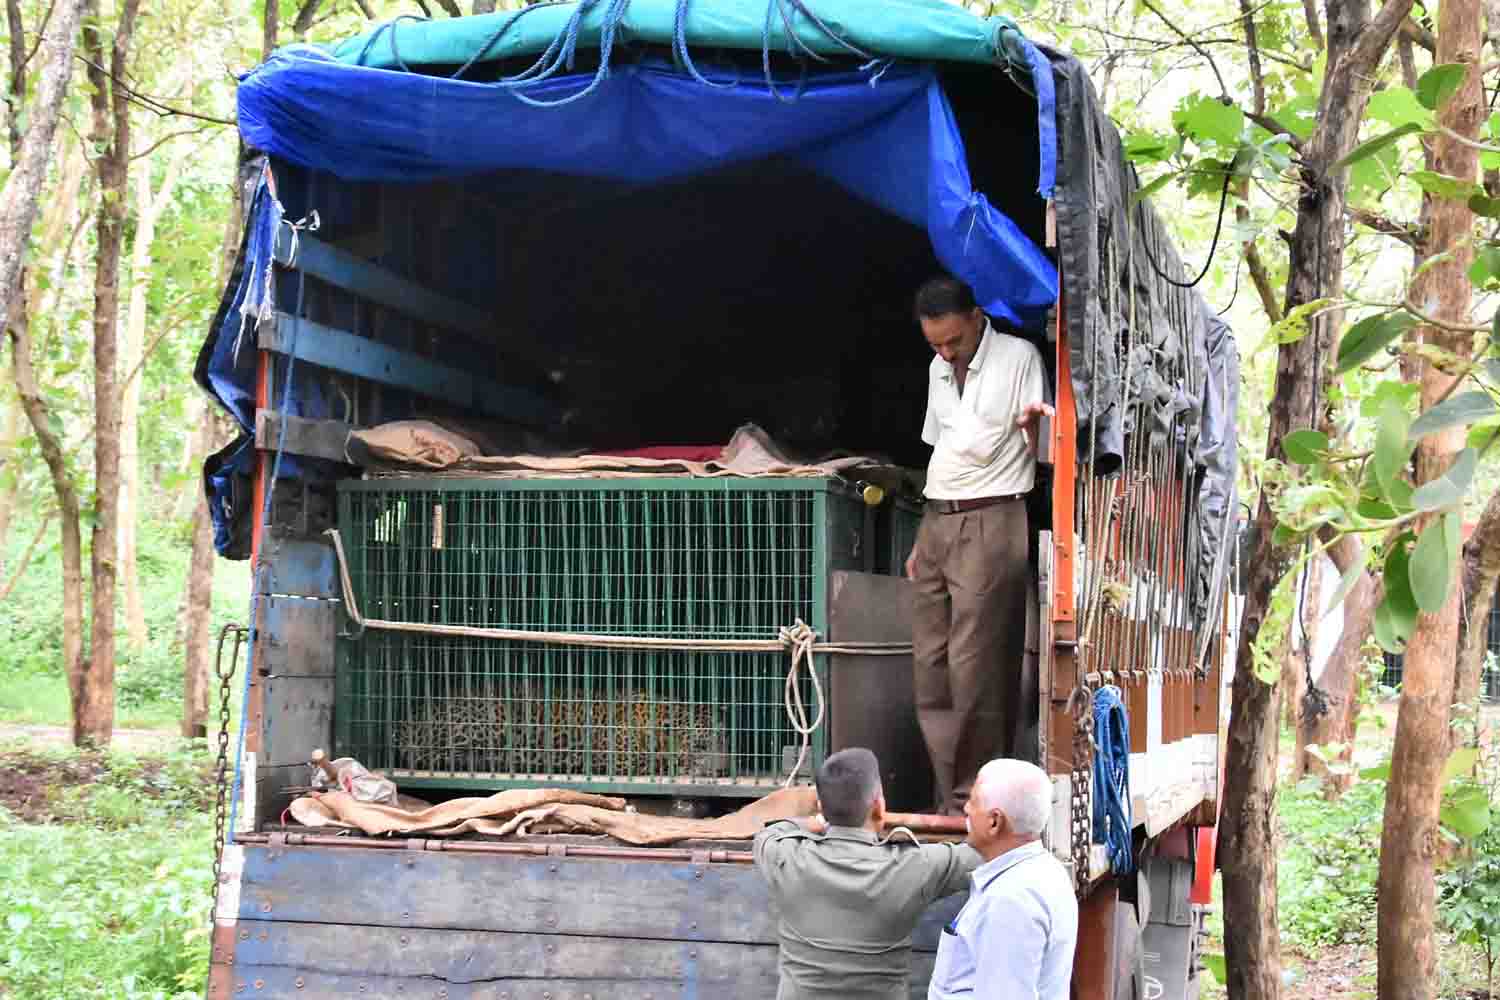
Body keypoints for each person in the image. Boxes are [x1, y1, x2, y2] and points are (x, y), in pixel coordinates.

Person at [905, 275, 1052, 813]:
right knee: (931, 662)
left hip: (993, 517)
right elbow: (939, 451)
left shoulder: (1019, 358)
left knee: (979, 666)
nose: (946, 352)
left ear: (975, 317)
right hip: (939, 519)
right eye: (935, 344)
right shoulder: (937, 370)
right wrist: (926, 533)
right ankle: (951, 798)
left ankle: (979, 796)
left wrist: (1039, 429)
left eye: (953, 341)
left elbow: (1045, 443)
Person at [753, 747, 981, 1000]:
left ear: (821, 806)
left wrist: (814, 822)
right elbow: (985, 855)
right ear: (878, 808)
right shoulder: (916, 865)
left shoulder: (786, 857)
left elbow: (767, 835)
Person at [928, 758, 1078, 1000]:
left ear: (994, 821)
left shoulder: (1010, 901)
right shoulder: (1045, 871)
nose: (965, 809)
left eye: (973, 802)